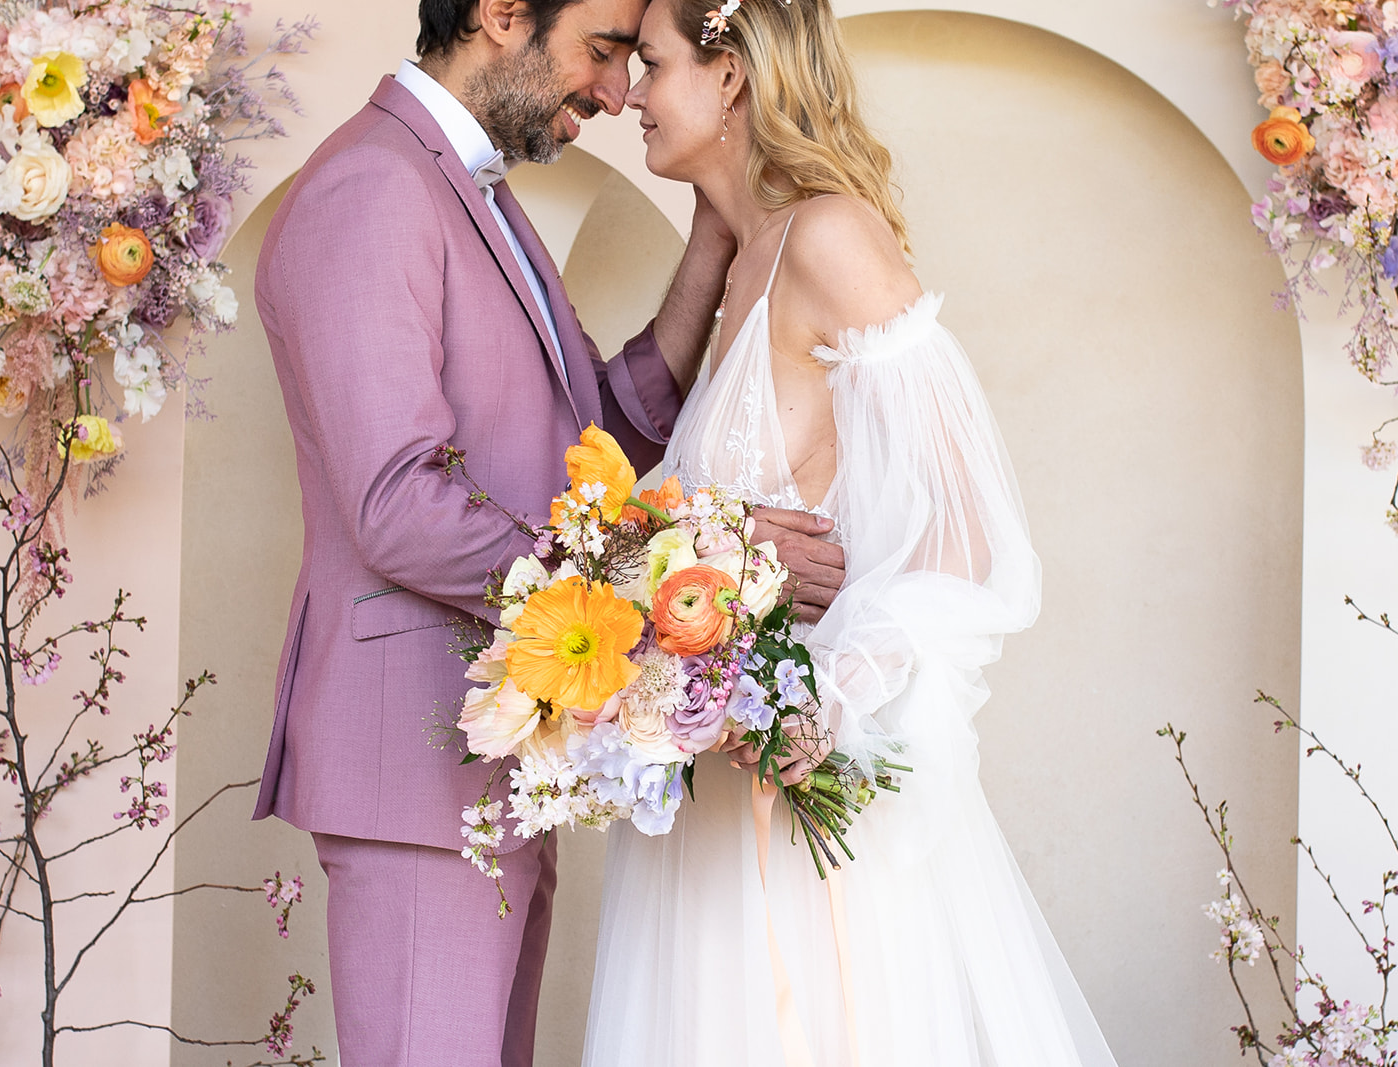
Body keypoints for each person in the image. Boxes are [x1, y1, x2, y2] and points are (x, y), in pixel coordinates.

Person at [247, 0, 847, 1062]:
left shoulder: (473, 192)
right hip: (414, 765)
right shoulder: (372, 188)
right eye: (604, 50)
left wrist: (713, 239)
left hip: (495, 761)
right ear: (501, 14)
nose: (615, 92)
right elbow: (396, 505)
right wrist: (685, 556)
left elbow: (597, 433)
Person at [581, 0, 1122, 1063]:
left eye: (648, 65)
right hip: (708, 812)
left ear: (728, 73)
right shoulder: (742, 256)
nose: (628, 95)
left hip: (794, 800)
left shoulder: (828, 235)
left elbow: (965, 529)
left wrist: (810, 712)